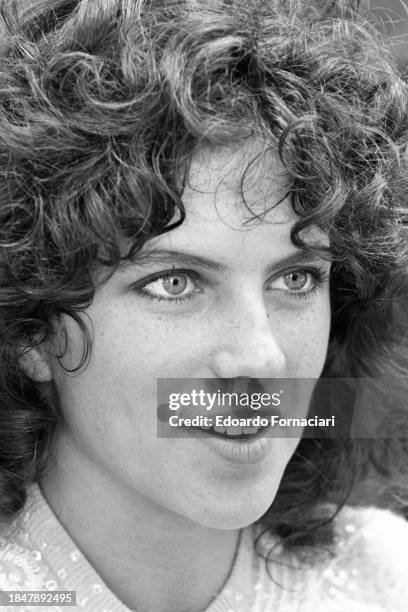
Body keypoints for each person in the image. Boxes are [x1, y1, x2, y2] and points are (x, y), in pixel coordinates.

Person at [0, 0, 408, 610]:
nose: (262, 358)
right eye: (175, 284)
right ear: (33, 330)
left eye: (296, 279)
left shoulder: (389, 576)